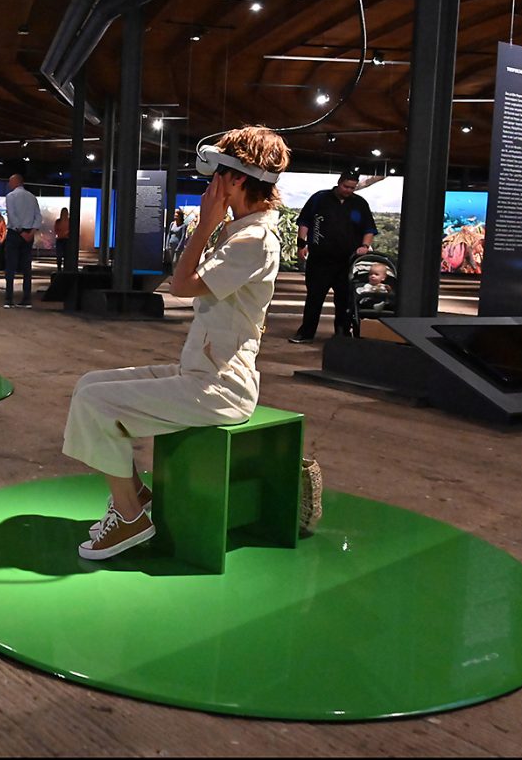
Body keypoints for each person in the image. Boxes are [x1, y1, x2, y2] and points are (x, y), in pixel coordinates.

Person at [63, 124, 290, 560]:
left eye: (215, 176)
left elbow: (182, 285)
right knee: (89, 385)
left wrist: (205, 224)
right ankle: (136, 498)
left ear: (236, 178)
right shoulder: (241, 230)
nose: (210, 185)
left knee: (96, 406)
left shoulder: (254, 239)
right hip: (201, 372)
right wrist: (211, 226)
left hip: (221, 387)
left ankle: (130, 520)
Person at [288, 171, 376, 343]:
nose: (348, 190)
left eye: (352, 187)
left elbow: (369, 229)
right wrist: (301, 244)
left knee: (344, 300)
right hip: (320, 259)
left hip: (347, 261)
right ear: (339, 182)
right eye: (346, 186)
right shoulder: (319, 198)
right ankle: (306, 333)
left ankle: (342, 333)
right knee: (314, 297)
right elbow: (304, 221)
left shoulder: (360, 203)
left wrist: (365, 246)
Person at [3, 173, 42, 307]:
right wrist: (31, 232)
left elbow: (12, 216)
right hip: (28, 235)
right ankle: (27, 299)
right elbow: (38, 216)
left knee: (10, 267)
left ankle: (9, 300)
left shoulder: (10, 197)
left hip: (15, 234)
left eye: (10, 182)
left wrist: (20, 231)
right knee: (27, 268)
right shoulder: (32, 197)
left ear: (15, 182)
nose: (9, 184)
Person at [54, 207, 70, 271]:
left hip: (66, 240)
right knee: (59, 256)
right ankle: (59, 269)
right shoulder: (58, 221)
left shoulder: (69, 221)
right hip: (60, 240)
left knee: (66, 256)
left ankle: (65, 269)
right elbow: (56, 230)